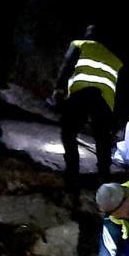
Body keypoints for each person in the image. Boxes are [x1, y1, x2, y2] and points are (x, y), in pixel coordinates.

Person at [49, 25, 123, 190]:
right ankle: (104, 175)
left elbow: (67, 66)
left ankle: (72, 171)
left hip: (81, 93)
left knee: (68, 131)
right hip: (105, 100)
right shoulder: (115, 59)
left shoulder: (80, 45)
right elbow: (120, 89)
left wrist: (59, 88)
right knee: (102, 138)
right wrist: (116, 114)